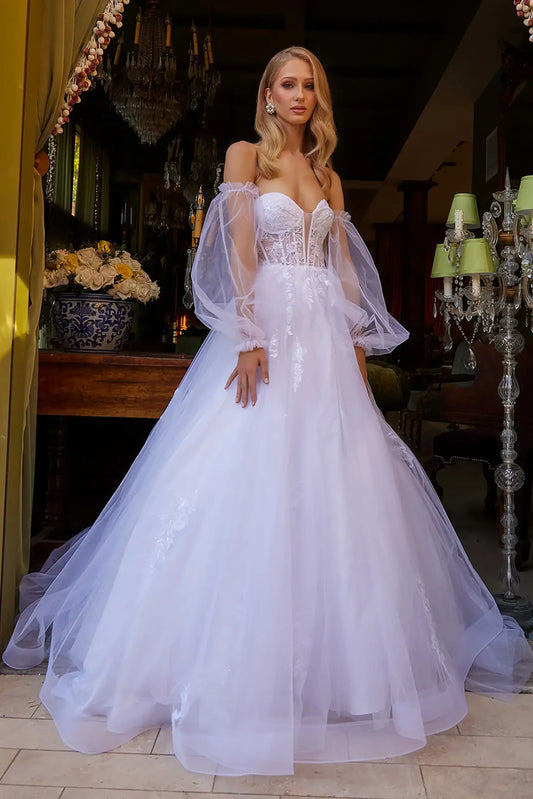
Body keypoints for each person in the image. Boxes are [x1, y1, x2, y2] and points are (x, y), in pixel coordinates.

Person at [3, 46, 533, 777]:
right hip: (267, 330)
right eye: (287, 83)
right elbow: (237, 250)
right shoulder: (244, 156)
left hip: (322, 341)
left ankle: (338, 673)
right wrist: (248, 337)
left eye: (309, 84)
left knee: (342, 485)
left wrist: (357, 367)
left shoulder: (330, 175)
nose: (300, 95)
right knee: (241, 468)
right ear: (266, 93)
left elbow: (344, 273)